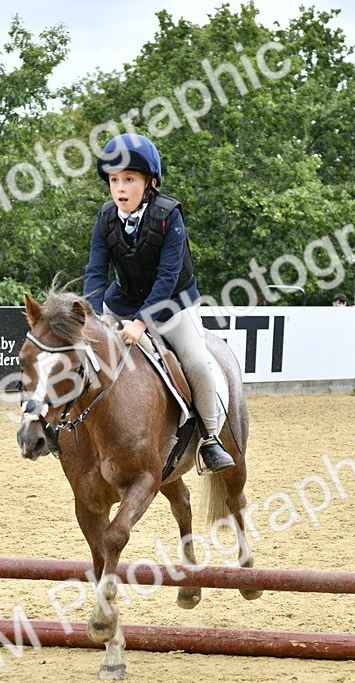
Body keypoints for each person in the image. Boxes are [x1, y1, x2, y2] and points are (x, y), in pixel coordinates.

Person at [83, 133, 233, 473]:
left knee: (195, 359)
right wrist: (89, 317)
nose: (120, 188)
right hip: (120, 305)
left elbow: (167, 276)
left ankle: (210, 439)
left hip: (173, 306)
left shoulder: (169, 216)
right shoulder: (106, 218)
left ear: (150, 182)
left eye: (129, 180)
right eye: (114, 180)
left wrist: (140, 323)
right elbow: (95, 270)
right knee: (87, 355)